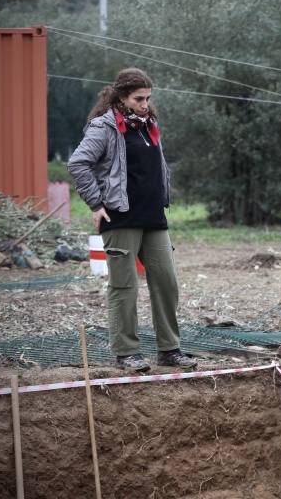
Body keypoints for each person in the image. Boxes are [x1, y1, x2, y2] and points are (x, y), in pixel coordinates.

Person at [68, 67, 196, 373]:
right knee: (124, 286)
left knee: (166, 282)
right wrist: (96, 204)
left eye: (148, 98)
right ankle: (126, 353)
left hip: (154, 217)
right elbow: (78, 164)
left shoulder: (147, 125)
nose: (145, 104)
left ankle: (169, 350)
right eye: (139, 98)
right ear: (121, 97)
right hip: (120, 217)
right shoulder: (104, 127)